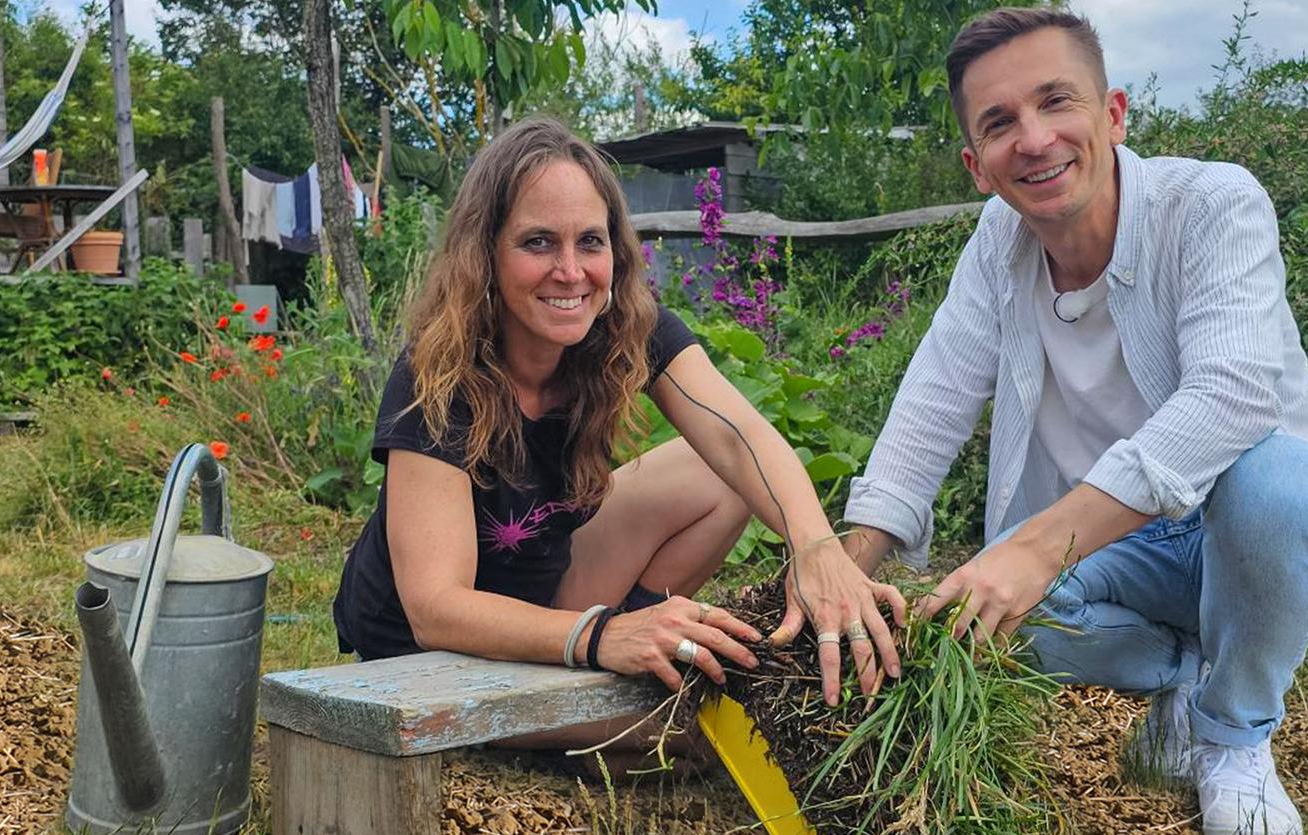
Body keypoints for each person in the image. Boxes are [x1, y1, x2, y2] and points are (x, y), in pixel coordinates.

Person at [841, 7, 1308, 835]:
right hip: (1131, 552)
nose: (1035, 139)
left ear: (1114, 114)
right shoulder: (997, 243)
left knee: (1279, 483)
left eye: (1057, 102)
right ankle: (1186, 683)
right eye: (1001, 123)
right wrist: (845, 566)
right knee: (974, 616)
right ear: (978, 165)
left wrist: (1036, 547)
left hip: (1282, 540)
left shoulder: (1213, 204)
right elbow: (933, 400)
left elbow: (1232, 396)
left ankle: (1235, 734)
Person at [331, 116, 907, 750]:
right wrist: (602, 636)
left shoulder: (623, 325)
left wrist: (817, 548)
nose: (571, 271)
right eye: (538, 242)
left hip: (551, 597)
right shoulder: (437, 375)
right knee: (694, 733)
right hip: (427, 658)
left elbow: (738, 436)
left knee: (709, 473)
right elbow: (435, 607)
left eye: (591, 242)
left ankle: (617, 664)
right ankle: (604, 690)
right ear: (485, 253)